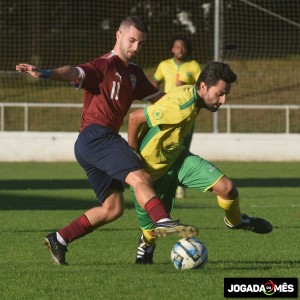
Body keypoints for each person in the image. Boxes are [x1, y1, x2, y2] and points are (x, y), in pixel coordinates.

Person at [16, 16, 198, 266]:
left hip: (95, 143)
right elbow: (74, 71)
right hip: (97, 137)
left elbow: (162, 99)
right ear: (118, 35)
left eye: (140, 43)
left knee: (113, 208)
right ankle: (162, 220)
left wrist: (196, 100)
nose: (135, 47)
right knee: (140, 177)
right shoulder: (103, 65)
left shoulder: (134, 73)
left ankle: (60, 238)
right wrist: (45, 72)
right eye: (132, 40)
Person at [128, 62, 273, 264]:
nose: (223, 100)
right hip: (150, 173)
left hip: (178, 160)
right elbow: (135, 118)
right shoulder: (181, 106)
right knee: (153, 230)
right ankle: (146, 243)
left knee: (228, 189)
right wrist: (132, 153)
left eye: (226, 94)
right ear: (203, 87)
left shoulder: (194, 97)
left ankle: (237, 221)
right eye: (220, 93)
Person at [152, 36, 201, 198]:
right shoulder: (163, 65)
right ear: (172, 49)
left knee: (182, 149)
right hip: (166, 113)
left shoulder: (193, 66)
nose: (180, 49)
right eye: (177, 46)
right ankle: (157, 181)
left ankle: (179, 185)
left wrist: (188, 86)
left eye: (183, 46)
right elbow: (154, 84)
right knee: (162, 147)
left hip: (186, 115)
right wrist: (152, 99)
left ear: (187, 49)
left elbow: (202, 87)